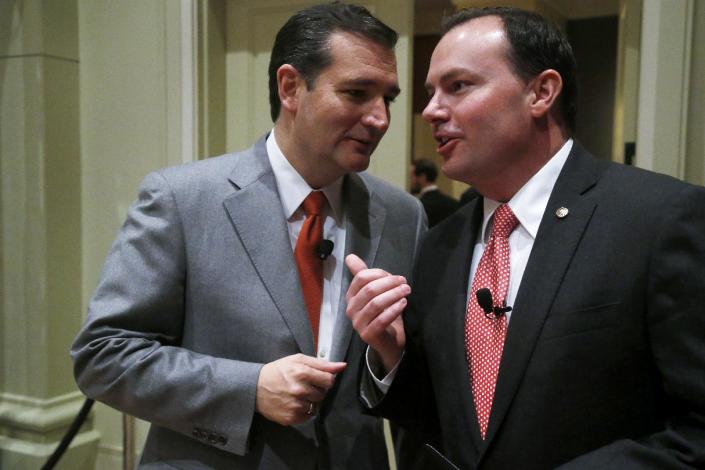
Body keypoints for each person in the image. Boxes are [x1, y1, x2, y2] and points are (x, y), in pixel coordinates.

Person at [345, 6, 705, 469]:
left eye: (458, 86)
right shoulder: (440, 244)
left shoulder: (661, 219)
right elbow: (450, 426)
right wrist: (392, 356)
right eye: (430, 92)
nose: (430, 110)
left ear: (542, 92)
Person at [71, 3, 426, 469]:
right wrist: (250, 389)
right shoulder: (181, 198)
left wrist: (389, 361)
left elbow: (412, 376)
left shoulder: (404, 216)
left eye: (389, 98)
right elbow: (103, 355)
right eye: (357, 92)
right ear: (290, 87)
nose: (380, 118)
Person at [410, 158, 459, 227]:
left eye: (412, 176)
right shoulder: (454, 203)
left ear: (422, 177)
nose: (411, 180)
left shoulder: (419, 207)